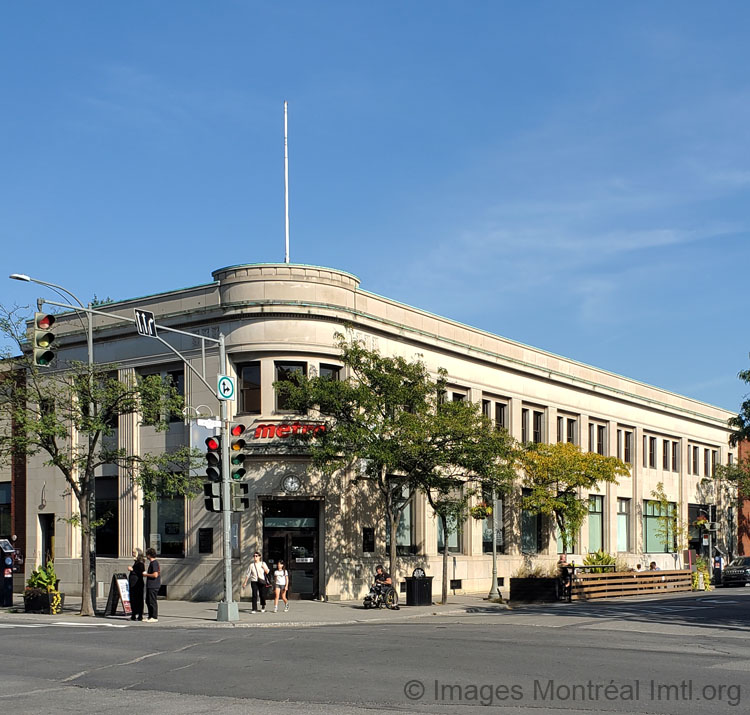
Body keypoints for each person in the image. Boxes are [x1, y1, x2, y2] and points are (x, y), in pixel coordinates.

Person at [127, 547, 146, 621]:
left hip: (137, 584)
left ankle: (139, 615)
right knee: (133, 599)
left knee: (138, 599)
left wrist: (132, 570)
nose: (133, 554)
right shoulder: (136, 562)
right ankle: (134, 614)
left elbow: (141, 572)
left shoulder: (140, 563)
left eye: (134, 553)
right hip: (133, 583)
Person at [143, 547, 161, 622]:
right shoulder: (152, 563)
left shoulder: (154, 563)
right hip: (151, 585)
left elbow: (155, 575)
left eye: (147, 554)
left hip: (153, 585)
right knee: (148, 600)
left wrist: (146, 574)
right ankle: (150, 616)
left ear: (149, 555)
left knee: (152, 601)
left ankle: (154, 616)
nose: (146, 556)